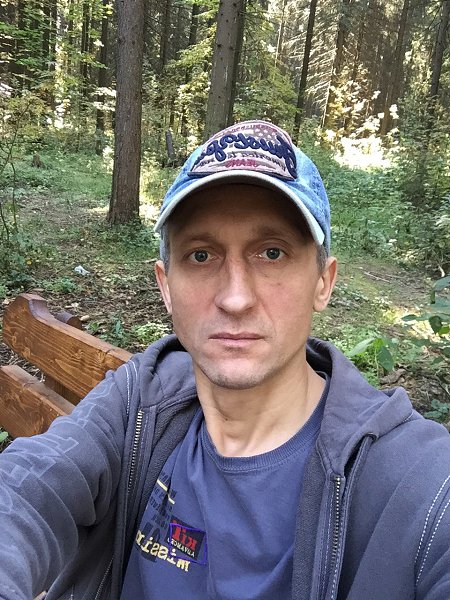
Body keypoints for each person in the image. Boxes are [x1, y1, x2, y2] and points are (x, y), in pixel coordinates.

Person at [0, 120, 449, 600]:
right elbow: (28, 488)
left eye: (272, 253)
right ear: (166, 285)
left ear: (324, 282)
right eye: (201, 256)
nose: (235, 298)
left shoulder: (416, 482)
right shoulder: (141, 402)